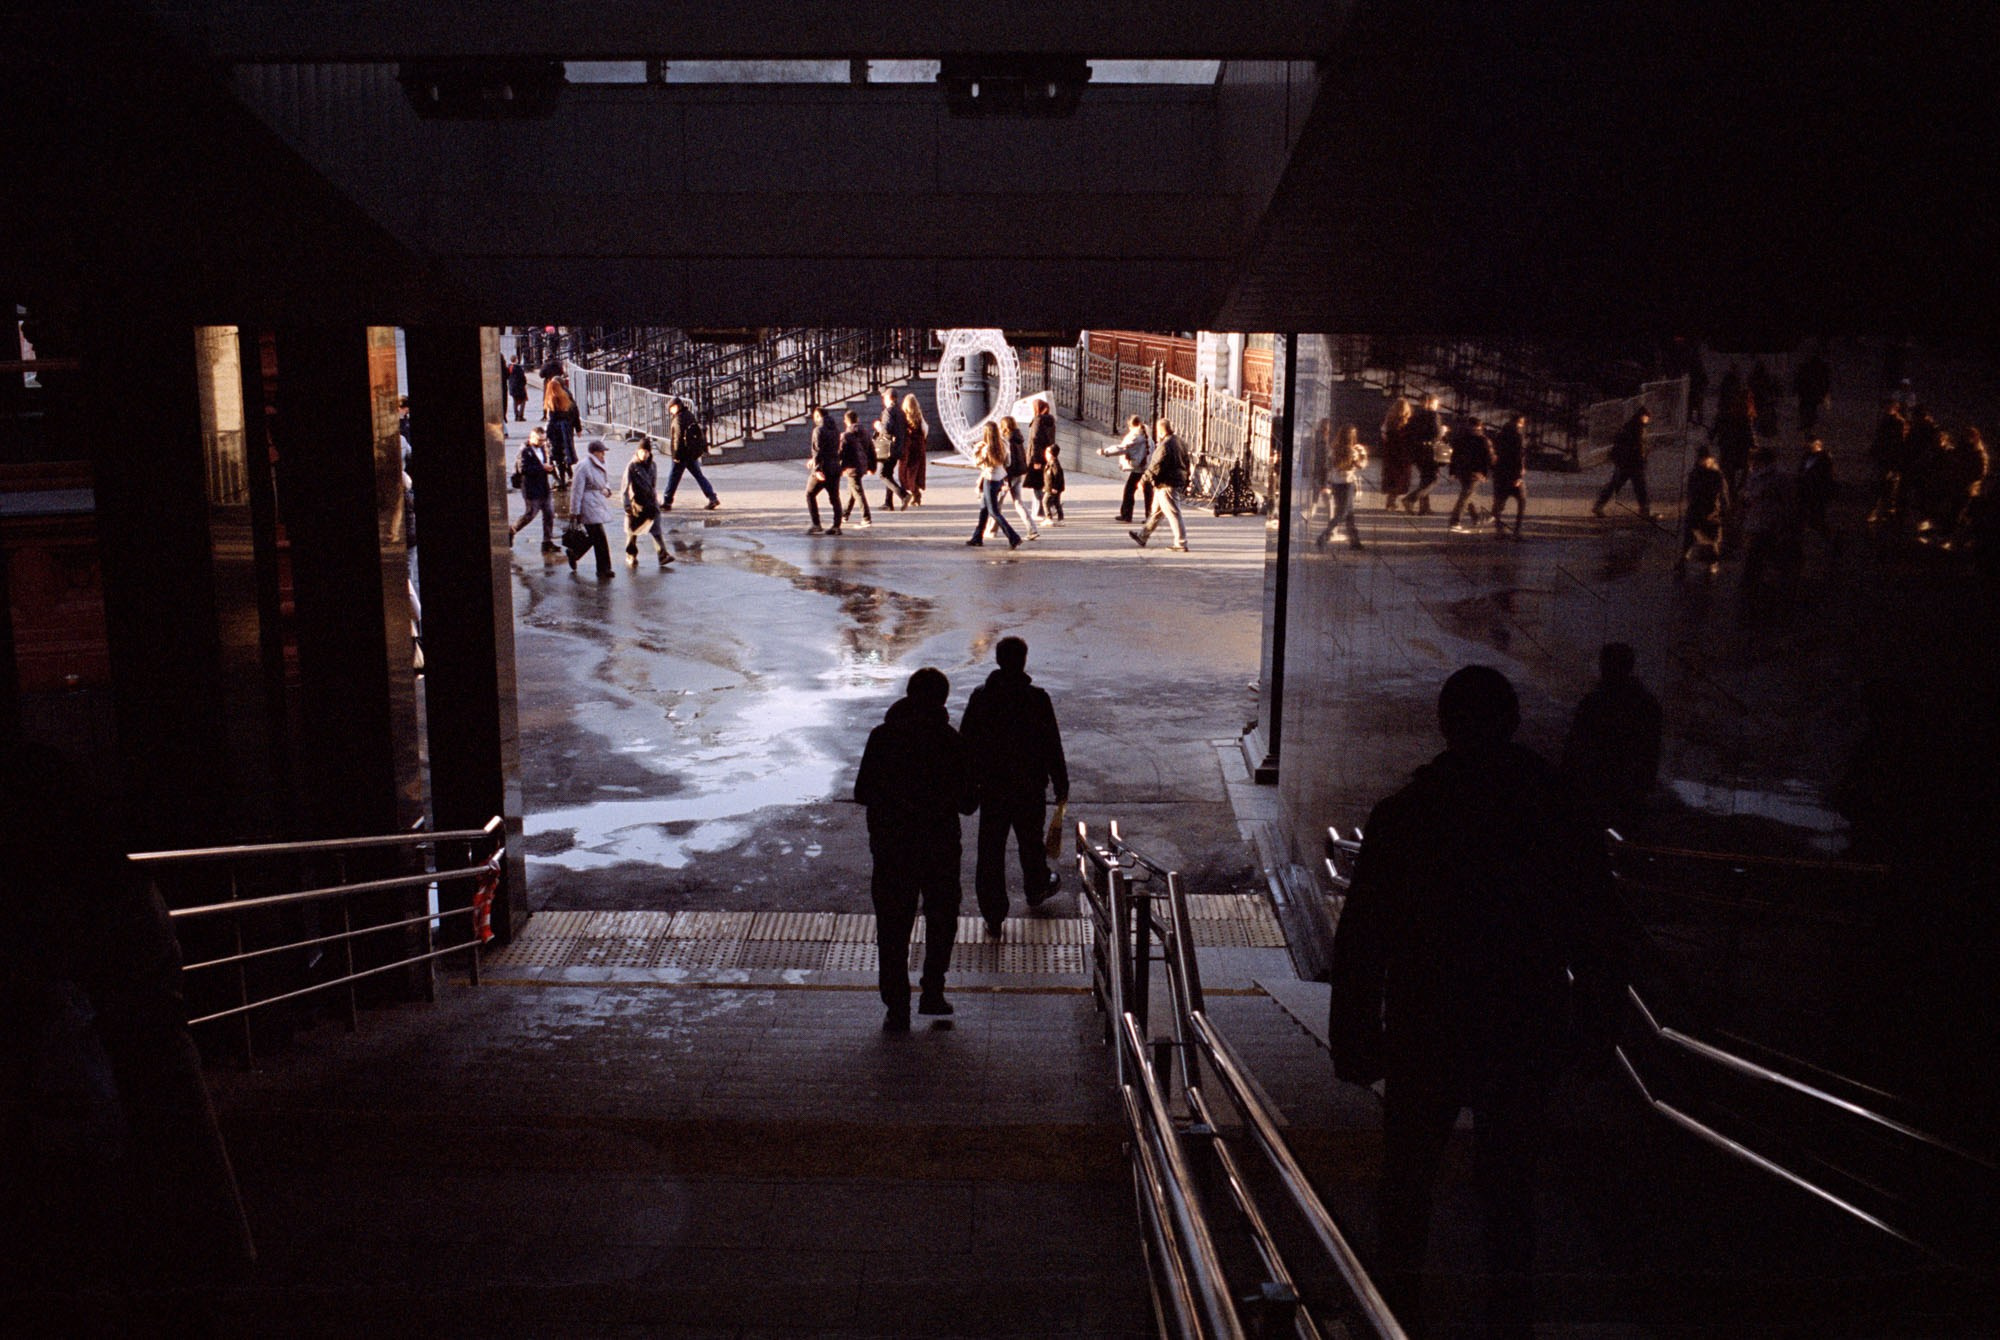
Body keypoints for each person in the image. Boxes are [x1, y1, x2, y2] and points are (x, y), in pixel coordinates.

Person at [1327, 666, 1619, 1335]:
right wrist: (1595, 1029)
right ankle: (1509, 1317)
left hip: (1427, 1024)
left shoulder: (1406, 816)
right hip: (1522, 1025)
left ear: (1445, 724)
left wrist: (1354, 1036)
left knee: (1407, 1180)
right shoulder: (1559, 814)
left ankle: (1395, 1310)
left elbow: (1365, 938)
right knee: (1510, 1186)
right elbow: (1599, 930)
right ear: (1512, 721)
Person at [0, 739, 256, 1336]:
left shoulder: (43, 904)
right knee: (172, 1230)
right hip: (150, 1082)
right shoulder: (118, 886)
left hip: (83, 1100)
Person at [853, 667, 978, 1032]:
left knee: (892, 928)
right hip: (939, 848)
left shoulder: (883, 737)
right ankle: (932, 990)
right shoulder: (951, 742)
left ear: (908, 695)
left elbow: (863, 791)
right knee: (941, 919)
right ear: (942, 700)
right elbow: (969, 803)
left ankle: (896, 1006)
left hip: (892, 848)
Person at [959, 637, 1069, 936]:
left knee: (991, 849)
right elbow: (1051, 745)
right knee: (1031, 844)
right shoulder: (1037, 698)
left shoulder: (981, 697)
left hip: (992, 789)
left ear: (997, 660)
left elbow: (966, 744)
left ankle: (993, 913)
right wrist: (1061, 781)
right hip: (1029, 788)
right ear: (1023, 660)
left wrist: (967, 784)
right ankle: (1035, 889)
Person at [1560, 642, 1664, 838]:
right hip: (1628, 792)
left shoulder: (1594, 703)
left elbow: (1574, 749)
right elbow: (1651, 753)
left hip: (1594, 791)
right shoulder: (1647, 705)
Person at [1738, 445, 1800, 600]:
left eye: (1755, 461)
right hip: (1759, 520)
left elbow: (1787, 500)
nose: (1752, 464)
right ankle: (1759, 584)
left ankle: (1755, 585)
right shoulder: (1757, 475)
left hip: (1768, 521)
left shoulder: (1778, 477)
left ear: (1763, 461)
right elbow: (1749, 494)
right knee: (1761, 553)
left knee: (1759, 553)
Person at [1130, 416, 1190, 551]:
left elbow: (1155, 465)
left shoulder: (1165, 445)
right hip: (1172, 481)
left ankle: (1181, 543)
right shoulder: (1179, 441)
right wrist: (1187, 478)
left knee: (1173, 513)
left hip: (1166, 483)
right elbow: (1187, 461)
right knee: (1156, 512)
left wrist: (1143, 480)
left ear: (1161, 431)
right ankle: (1142, 535)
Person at [1592, 407, 1658, 520]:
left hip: (1626, 462)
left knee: (1616, 485)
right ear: (1642, 416)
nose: (1647, 420)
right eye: (1646, 417)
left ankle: (1599, 505)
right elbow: (1637, 446)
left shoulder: (1631, 426)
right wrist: (1642, 458)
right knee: (1639, 487)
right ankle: (1644, 510)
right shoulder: (1636, 428)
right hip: (1632, 463)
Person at [966, 421, 1022, 549]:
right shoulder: (1004, 444)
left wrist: (976, 450)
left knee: (993, 511)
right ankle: (977, 537)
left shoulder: (986, 448)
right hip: (1000, 477)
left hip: (990, 479)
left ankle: (1013, 537)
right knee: (984, 509)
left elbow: (977, 464)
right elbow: (1008, 463)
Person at [620, 435, 673, 568]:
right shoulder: (632, 466)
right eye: (642, 451)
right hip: (636, 504)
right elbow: (624, 488)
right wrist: (626, 504)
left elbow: (653, 485)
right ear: (637, 451)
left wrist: (656, 500)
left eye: (647, 452)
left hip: (650, 503)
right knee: (633, 532)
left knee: (656, 530)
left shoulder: (653, 465)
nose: (644, 454)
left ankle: (663, 555)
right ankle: (630, 554)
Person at [1675, 450, 1729, 577]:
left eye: (1706, 459)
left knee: (1711, 538)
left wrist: (1724, 509)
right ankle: (1683, 560)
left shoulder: (1716, 475)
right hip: (1695, 509)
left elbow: (1723, 494)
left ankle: (1711, 563)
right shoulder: (1694, 474)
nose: (1704, 462)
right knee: (1690, 536)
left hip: (1711, 510)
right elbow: (1690, 492)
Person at [662, 398, 720, 511]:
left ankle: (667, 501)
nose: (670, 411)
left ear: (677, 406)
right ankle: (712, 497)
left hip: (681, 454)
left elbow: (677, 439)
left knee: (673, 477)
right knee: (699, 476)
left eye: (671, 408)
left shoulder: (678, 419)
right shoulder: (689, 414)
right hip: (691, 453)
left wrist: (676, 456)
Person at [569, 439, 616, 578]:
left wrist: (607, 489)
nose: (603, 455)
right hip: (588, 504)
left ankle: (575, 553)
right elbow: (576, 490)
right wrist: (575, 511)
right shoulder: (583, 466)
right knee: (599, 537)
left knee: (594, 537)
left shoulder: (600, 464)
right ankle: (603, 569)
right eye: (601, 452)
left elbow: (605, 481)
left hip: (597, 502)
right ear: (594, 453)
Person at [1314, 423, 1366, 550]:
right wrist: (1363, 455)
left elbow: (1328, 467)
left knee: (1349, 513)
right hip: (1348, 484)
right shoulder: (1353, 451)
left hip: (1336, 484)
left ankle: (1355, 541)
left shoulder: (1334, 450)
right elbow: (1361, 466)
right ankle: (1324, 535)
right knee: (1343, 513)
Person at [509, 425, 558, 553]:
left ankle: (547, 542)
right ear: (531, 438)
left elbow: (547, 462)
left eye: (544, 440)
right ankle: (512, 530)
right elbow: (523, 469)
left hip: (543, 486)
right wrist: (543, 468)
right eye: (539, 440)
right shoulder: (525, 451)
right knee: (530, 514)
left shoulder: (544, 448)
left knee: (549, 513)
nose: (542, 443)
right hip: (531, 487)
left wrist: (551, 469)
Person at [1100, 415, 1154, 523]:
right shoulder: (1148, 436)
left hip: (1138, 469)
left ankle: (1126, 514)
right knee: (1148, 492)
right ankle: (1150, 516)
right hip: (1147, 468)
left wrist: (1105, 452)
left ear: (1130, 425)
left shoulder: (1135, 436)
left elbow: (1122, 448)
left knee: (1129, 490)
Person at [1445, 416, 1494, 532]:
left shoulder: (1460, 438)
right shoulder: (1483, 440)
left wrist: (1452, 471)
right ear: (1480, 426)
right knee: (1466, 496)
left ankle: (1476, 518)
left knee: (1467, 494)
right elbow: (1488, 458)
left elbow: (1454, 456)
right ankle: (1455, 521)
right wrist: (1485, 474)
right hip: (1475, 472)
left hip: (1462, 471)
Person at [1399, 394, 1446, 515]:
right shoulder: (1434, 415)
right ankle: (1410, 499)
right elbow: (1436, 434)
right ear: (1430, 403)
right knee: (1433, 479)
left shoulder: (1415, 416)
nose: (1437, 405)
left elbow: (1407, 432)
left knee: (1425, 478)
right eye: (1436, 402)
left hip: (1417, 452)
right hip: (1430, 452)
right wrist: (1443, 431)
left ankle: (1424, 508)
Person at [996, 414, 1041, 539]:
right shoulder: (1018, 437)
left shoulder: (1007, 440)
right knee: (1018, 502)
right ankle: (1032, 529)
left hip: (1008, 475)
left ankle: (991, 530)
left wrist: (1005, 479)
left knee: (996, 504)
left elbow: (1008, 461)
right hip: (1018, 473)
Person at [1865, 401, 1909, 524]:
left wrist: (1896, 462)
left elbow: (1900, 443)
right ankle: (1882, 511)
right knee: (1881, 484)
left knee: (1887, 486)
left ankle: (1886, 511)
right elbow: (1879, 438)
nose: (1886, 409)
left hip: (1891, 459)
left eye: (1889, 407)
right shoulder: (1886, 420)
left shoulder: (1899, 423)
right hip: (1883, 458)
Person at [805, 405, 844, 535]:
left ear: (817, 416)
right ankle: (836, 525)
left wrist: (817, 469)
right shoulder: (835, 429)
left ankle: (816, 524)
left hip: (823, 468)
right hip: (835, 466)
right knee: (834, 497)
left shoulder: (818, 430)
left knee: (810, 493)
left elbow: (817, 450)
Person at [1797, 437, 1839, 555]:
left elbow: (1827, 476)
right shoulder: (1806, 457)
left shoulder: (1824, 458)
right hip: (1807, 491)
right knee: (1808, 517)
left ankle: (1829, 541)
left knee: (1817, 517)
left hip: (1817, 492)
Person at [1490, 413, 1528, 538]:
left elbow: (1494, 454)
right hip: (1512, 474)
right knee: (1521, 500)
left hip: (1500, 473)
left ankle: (1499, 529)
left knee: (1499, 502)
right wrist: (1519, 476)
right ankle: (1517, 531)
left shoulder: (1499, 434)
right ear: (1519, 422)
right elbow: (1519, 456)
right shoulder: (1518, 436)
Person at [873, 386, 911, 511]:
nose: (883, 400)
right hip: (898, 447)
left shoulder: (888, 411)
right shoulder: (900, 412)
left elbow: (886, 429)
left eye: (884, 397)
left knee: (883, 475)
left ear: (889, 398)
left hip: (888, 448)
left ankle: (903, 495)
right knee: (889, 473)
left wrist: (878, 426)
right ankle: (888, 503)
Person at [838, 409, 875, 526]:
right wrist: (872, 466)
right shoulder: (865, 432)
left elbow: (841, 452)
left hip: (852, 467)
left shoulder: (846, 435)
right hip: (862, 465)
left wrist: (839, 467)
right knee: (852, 491)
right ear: (857, 419)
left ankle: (866, 517)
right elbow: (871, 450)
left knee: (857, 491)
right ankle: (844, 514)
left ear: (846, 421)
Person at [544, 372, 580, 487]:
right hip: (566, 428)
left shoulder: (553, 398)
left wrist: (546, 433)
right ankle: (568, 474)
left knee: (556, 454)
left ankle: (561, 479)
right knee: (565, 452)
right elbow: (575, 412)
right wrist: (577, 427)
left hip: (556, 429)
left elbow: (552, 418)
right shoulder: (566, 395)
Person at [1028, 399, 1060, 523]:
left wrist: (1035, 460)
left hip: (1037, 457)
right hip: (1048, 455)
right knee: (1046, 483)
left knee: (1037, 484)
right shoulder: (1050, 420)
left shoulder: (1038, 420)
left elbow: (1034, 440)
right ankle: (1050, 507)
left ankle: (1038, 511)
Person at [1380, 396, 1415, 505]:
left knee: (1392, 477)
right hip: (1403, 454)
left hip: (1390, 453)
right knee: (1401, 478)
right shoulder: (1407, 423)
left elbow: (1384, 435)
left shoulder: (1389, 421)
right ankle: (1392, 501)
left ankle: (1391, 500)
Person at [897, 393, 929, 506]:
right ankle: (916, 494)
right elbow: (925, 429)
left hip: (908, 448)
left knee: (904, 473)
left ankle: (915, 493)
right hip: (918, 447)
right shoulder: (919, 416)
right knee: (914, 473)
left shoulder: (903, 417)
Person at [1793, 349, 1832, 434]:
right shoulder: (1818, 367)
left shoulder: (1807, 367)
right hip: (1811, 393)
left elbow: (1799, 379)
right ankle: (1808, 425)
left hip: (1809, 393)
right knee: (1809, 408)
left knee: (1808, 408)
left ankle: (1808, 425)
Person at [1041, 437, 1067, 523]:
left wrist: (1055, 487)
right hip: (1050, 487)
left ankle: (1049, 518)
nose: (1045, 454)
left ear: (1051, 454)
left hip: (1053, 488)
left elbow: (1057, 476)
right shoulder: (1050, 463)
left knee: (1045, 502)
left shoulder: (1054, 464)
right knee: (1056, 502)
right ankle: (1061, 518)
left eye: (1046, 453)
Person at [507, 356, 528, 422]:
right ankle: (520, 415)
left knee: (515, 401)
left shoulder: (509, 367)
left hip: (512, 387)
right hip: (519, 387)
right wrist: (524, 383)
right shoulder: (518, 368)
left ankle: (516, 415)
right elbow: (522, 377)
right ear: (516, 360)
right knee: (523, 400)